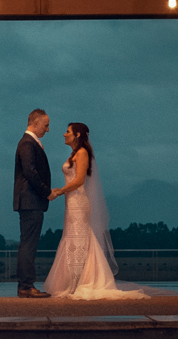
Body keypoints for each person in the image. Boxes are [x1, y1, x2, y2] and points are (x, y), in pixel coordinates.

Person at [44, 121, 142, 298]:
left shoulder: (82, 153)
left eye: (67, 131)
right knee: (73, 238)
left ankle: (79, 281)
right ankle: (73, 280)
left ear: (77, 135)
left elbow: (80, 180)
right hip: (71, 203)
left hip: (79, 203)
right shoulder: (74, 153)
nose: (64, 134)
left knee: (79, 239)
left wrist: (59, 191)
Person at [12, 106, 52, 298]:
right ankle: (26, 286)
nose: (48, 129)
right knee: (29, 244)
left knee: (27, 243)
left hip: (29, 201)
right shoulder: (28, 144)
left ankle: (25, 285)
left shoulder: (28, 142)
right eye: (46, 125)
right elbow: (31, 173)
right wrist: (46, 192)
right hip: (31, 201)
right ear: (35, 123)